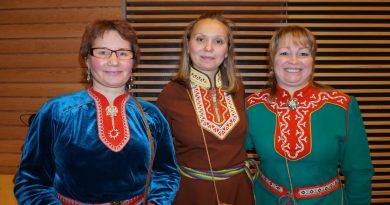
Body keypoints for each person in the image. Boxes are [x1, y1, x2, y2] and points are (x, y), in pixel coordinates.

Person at [14, 19, 180, 205]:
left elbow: (166, 174)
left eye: (123, 53)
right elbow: (31, 181)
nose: (114, 61)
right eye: (102, 52)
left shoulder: (152, 116)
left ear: (133, 62)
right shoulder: (56, 112)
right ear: (86, 59)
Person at [245, 25, 374, 205]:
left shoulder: (342, 106)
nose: (294, 60)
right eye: (284, 53)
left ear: (313, 62)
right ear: (271, 61)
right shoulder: (252, 105)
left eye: (303, 53)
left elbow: (358, 170)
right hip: (266, 200)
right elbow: (228, 154)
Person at [156, 12, 254, 205]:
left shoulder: (238, 89)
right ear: (188, 45)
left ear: (227, 50)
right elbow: (158, 156)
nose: (208, 48)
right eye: (200, 39)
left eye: (218, 41)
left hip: (238, 191)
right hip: (191, 193)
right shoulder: (170, 94)